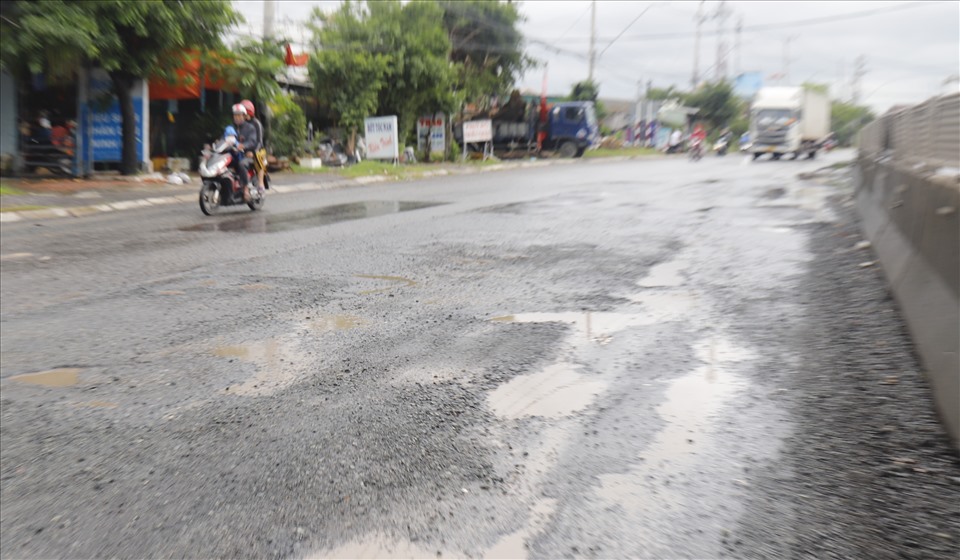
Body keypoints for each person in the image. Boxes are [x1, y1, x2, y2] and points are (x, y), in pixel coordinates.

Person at [240, 99, 267, 194]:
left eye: (244, 113)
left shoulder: (256, 124)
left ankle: (261, 184)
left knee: (259, 157)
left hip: (258, 150)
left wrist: (253, 152)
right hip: (245, 151)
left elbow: (259, 141)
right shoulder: (242, 124)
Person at [230, 104, 255, 201]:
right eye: (235, 115)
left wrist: (244, 146)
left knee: (241, 164)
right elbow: (225, 138)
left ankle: (245, 189)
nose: (237, 117)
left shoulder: (250, 128)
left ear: (244, 116)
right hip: (235, 155)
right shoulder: (231, 128)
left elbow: (252, 141)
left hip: (247, 156)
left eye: (239, 115)